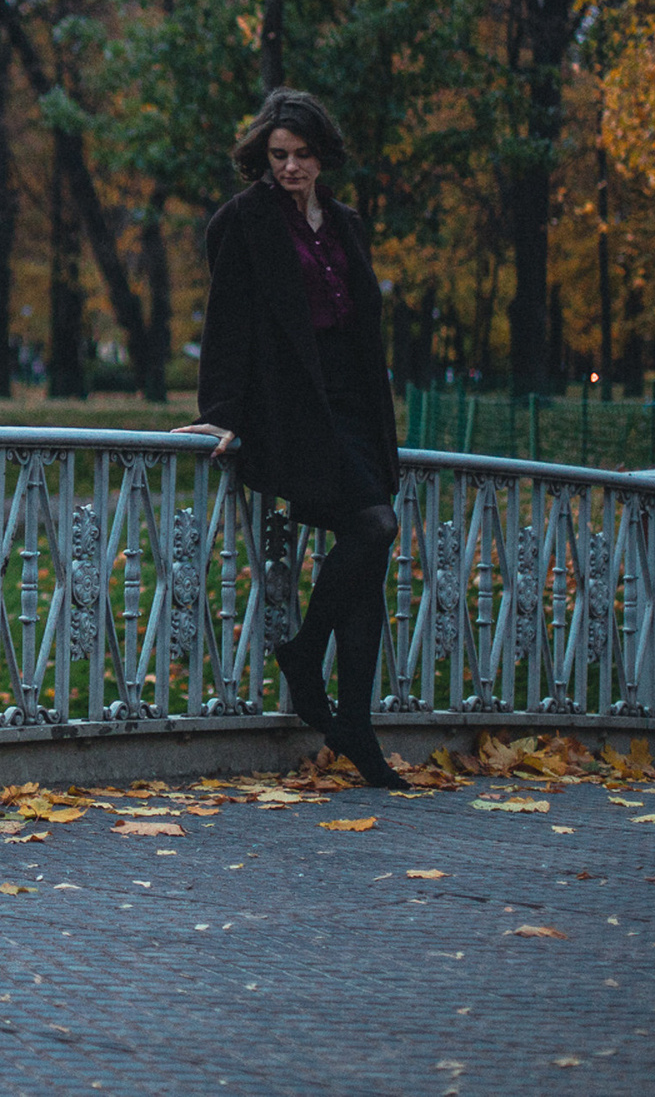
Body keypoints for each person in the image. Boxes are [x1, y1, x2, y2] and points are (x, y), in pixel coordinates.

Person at [177, 89, 406, 789]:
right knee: (373, 527)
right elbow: (228, 324)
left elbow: (364, 325)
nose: (290, 167)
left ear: (322, 155)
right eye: (278, 155)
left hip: (355, 407)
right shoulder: (242, 222)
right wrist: (220, 411)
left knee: (366, 562)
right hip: (291, 407)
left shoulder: (344, 223)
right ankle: (307, 657)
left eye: (302, 154)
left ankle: (355, 726)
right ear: (262, 155)